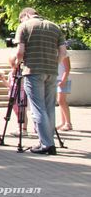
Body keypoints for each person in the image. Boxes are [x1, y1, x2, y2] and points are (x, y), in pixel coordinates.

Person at [14, 8, 67, 155]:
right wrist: (55, 64)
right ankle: (49, 142)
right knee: (49, 108)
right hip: (51, 71)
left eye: (21, 19)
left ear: (26, 15)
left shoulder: (24, 26)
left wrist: (18, 63)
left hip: (33, 71)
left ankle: (46, 144)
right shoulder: (54, 27)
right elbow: (63, 53)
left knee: (38, 108)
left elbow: (20, 52)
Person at [57, 54, 72, 131]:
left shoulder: (64, 53)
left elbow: (67, 68)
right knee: (60, 101)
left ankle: (68, 123)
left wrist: (63, 80)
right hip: (57, 79)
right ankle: (63, 122)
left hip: (64, 80)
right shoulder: (54, 52)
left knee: (61, 100)